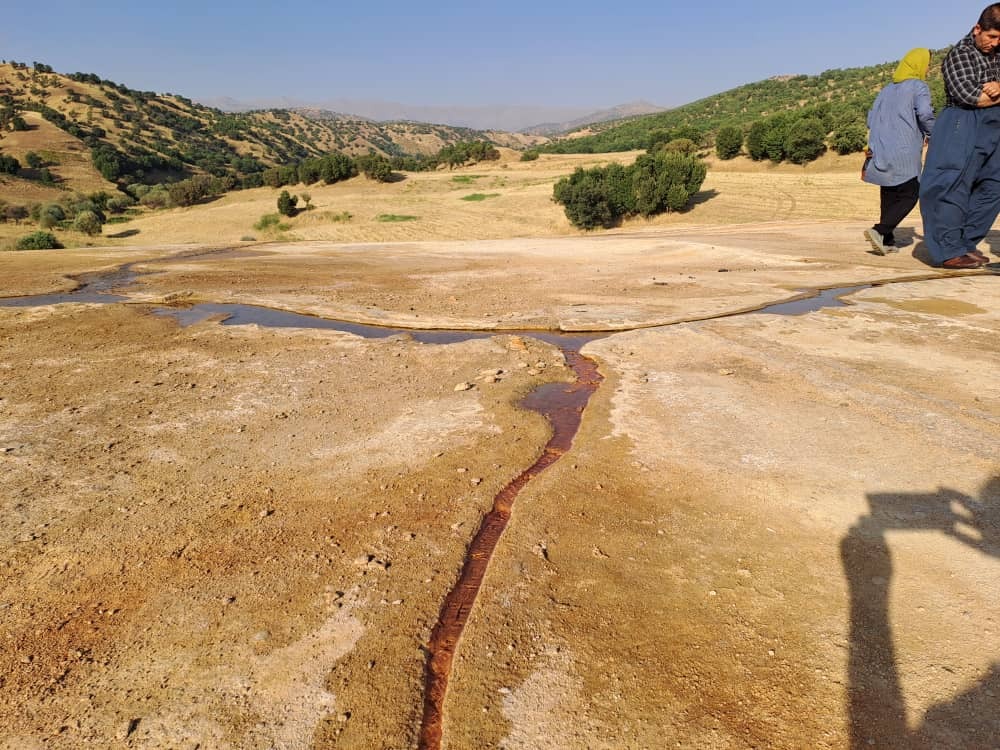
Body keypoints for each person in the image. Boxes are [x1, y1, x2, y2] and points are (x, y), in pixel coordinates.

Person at [918, 4, 1000, 269]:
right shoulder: (960, 54)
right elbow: (972, 97)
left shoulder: (997, 53)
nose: (995, 43)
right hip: (962, 122)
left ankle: (965, 242)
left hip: (994, 126)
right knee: (951, 183)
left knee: (993, 186)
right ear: (978, 29)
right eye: (992, 37)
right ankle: (947, 249)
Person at [862, 49, 936, 255]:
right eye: (928, 64)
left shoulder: (885, 90)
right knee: (911, 193)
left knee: (889, 191)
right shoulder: (918, 86)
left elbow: (870, 119)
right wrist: (934, 133)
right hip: (903, 149)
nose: (928, 68)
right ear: (919, 65)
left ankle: (886, 240)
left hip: (881, 148)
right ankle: (880, 229)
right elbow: (925, 113)